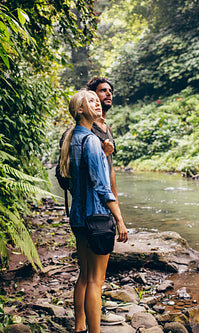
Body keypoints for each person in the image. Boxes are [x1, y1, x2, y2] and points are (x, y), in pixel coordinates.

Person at [59, 89, 129, 333]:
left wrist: (103, 154)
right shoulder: (90, 141)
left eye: (97, 101)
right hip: (96, 218)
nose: (97, 103)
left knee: (85, 276)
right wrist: (119, 219)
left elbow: (71, 178)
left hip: (78, 218)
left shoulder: (73, 138)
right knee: (95, 282)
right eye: (91, 101)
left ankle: (81, 328)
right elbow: (101, 187)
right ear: (80, 110)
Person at [86, 77, 118, 200]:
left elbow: (111, 169)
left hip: (107, 197)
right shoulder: (87, 128)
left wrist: (115, 200)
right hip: (92, 198)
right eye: (103, 90)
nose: (108, 93)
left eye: (110, 91)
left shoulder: (108, 129)